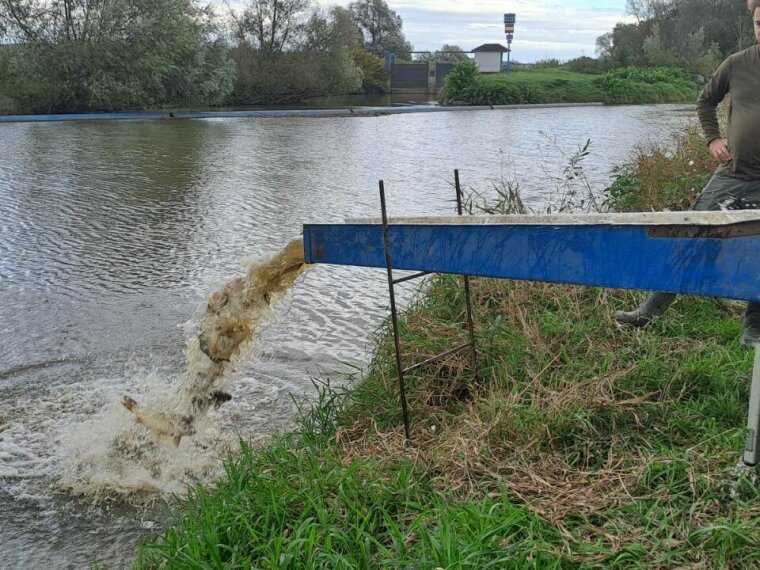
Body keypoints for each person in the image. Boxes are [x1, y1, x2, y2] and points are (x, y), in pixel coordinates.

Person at [615, 0, 760, 345]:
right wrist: (712, 139)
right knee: (691, 232)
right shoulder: (738, 64)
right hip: (735, 174)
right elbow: (705, 101)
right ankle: (651, 308)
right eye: (759, 22)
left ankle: (753, 329)